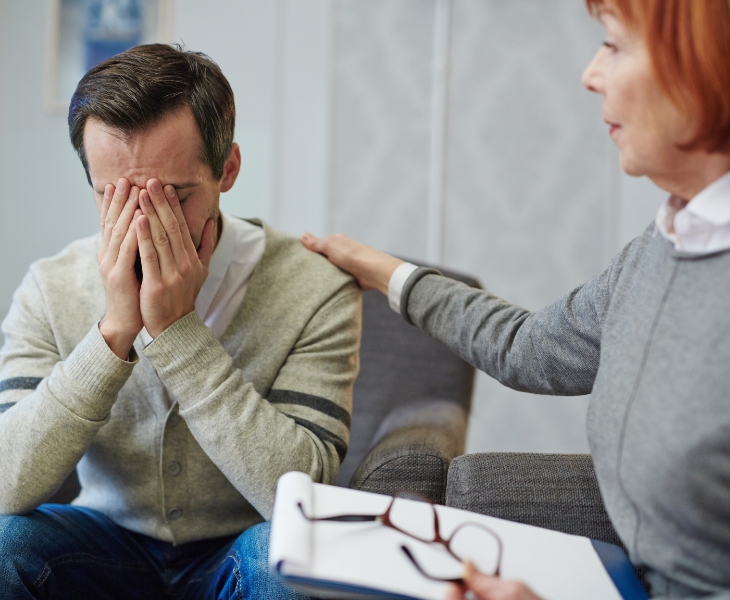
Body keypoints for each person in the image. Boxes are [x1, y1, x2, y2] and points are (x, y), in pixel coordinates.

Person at [302, 0, 730, 598]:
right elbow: (528, 347)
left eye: (613, 43)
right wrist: (383, 271)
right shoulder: (662, 247)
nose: (591, 74)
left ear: (703, 62)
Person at [0, 44, 360, 599]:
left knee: (286, 562)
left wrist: (176, 335)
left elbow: (302, 494)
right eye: (112, 196)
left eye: (175, 195)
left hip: (240, 545)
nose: (145, 221)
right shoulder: (50, 287)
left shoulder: (316, 287)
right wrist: (113, 333)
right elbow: (6, 485)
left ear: (228, 169)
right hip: (101, 542)